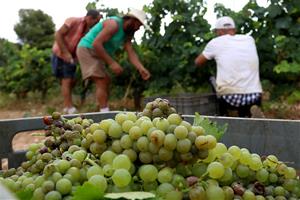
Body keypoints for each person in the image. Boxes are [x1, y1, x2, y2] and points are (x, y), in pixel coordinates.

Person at [76, 8, 151, 112]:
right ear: (131, 20)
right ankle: (104, 113)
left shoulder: (127, 33)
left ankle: (104, 109)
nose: (138, 28)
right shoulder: (114, 24)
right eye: (138, 24)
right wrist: (112, 63)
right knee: (101, 80)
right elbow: (96, 44)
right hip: (87, 49)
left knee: (106, 80)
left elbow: (131, 52)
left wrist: (141, 68)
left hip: (97, 52)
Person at [194, 16, 263, 117]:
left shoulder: (215, 42)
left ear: (220, 31)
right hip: (254, 95)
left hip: (229, 98)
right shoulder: (249, 39)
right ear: (234, 30)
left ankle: (224, 114)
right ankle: (247, 115)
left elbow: (198, 62)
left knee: (212, 79)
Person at [51, 10, 102, 114]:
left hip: (72, 58)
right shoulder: (72, 21)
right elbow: (58, 35)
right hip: (61, 54)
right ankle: (68, 107)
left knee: (70, 81)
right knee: (67, 80)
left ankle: (67, 106)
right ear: (89, 18)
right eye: (96, 21)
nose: (96, 24)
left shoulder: (88, 31)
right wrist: (65, 52)